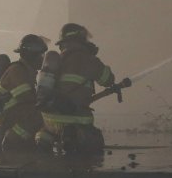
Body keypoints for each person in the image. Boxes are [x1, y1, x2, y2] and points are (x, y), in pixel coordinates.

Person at [36, 23, 116, 155]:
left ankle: (44, 139)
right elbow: (108, 80)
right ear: (82, 40)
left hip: (51, 119)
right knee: (95, 144)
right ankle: (72, 136)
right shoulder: (90, 60)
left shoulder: (57, 60)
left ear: (63, 43)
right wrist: (94, 58)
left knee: (47, 130)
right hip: (78, 119)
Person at [0, 34, 48, 153]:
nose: (43, 58)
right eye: (40, 55)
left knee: (40, 112)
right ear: (32, 56)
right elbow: (26, 97)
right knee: (39, 116)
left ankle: (23, 139)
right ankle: (11, 138)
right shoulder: (17, 71)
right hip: (7, 114)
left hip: (14, 111)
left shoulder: (26, 70)